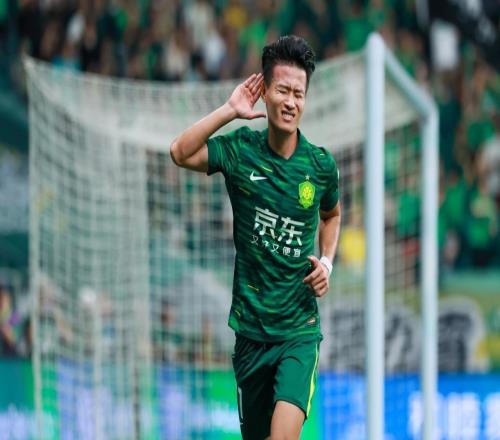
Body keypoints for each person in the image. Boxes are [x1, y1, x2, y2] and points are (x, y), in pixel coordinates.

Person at [170, 35, 341, 440]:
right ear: (264, 91)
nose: (291, 102)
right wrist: (229, 110)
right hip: (250, 333)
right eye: (282, 90)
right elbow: (180, 152)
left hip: (298, 331)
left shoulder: (320, 166)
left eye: (299, 94)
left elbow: (331, 215)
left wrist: (327, 262)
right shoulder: (240, 151)